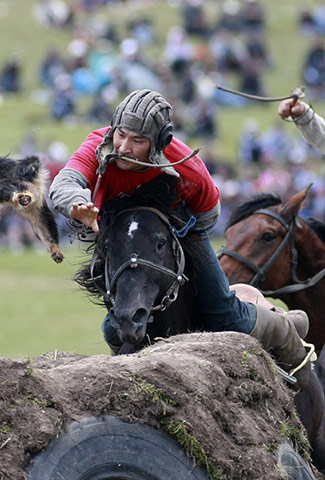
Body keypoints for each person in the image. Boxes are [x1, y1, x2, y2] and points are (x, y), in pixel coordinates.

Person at [50, 89, 311, 388]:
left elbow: (209, 213)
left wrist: (175, 236)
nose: (123, 147)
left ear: (159, 143)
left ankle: (285, 327)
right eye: (121, 134)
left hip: (179, 227)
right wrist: (76, 204)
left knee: (228, 319)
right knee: (114, 330)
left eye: (138, 141)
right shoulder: (98, 145)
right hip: (119, 232)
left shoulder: (187, 167)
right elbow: (65, 182)